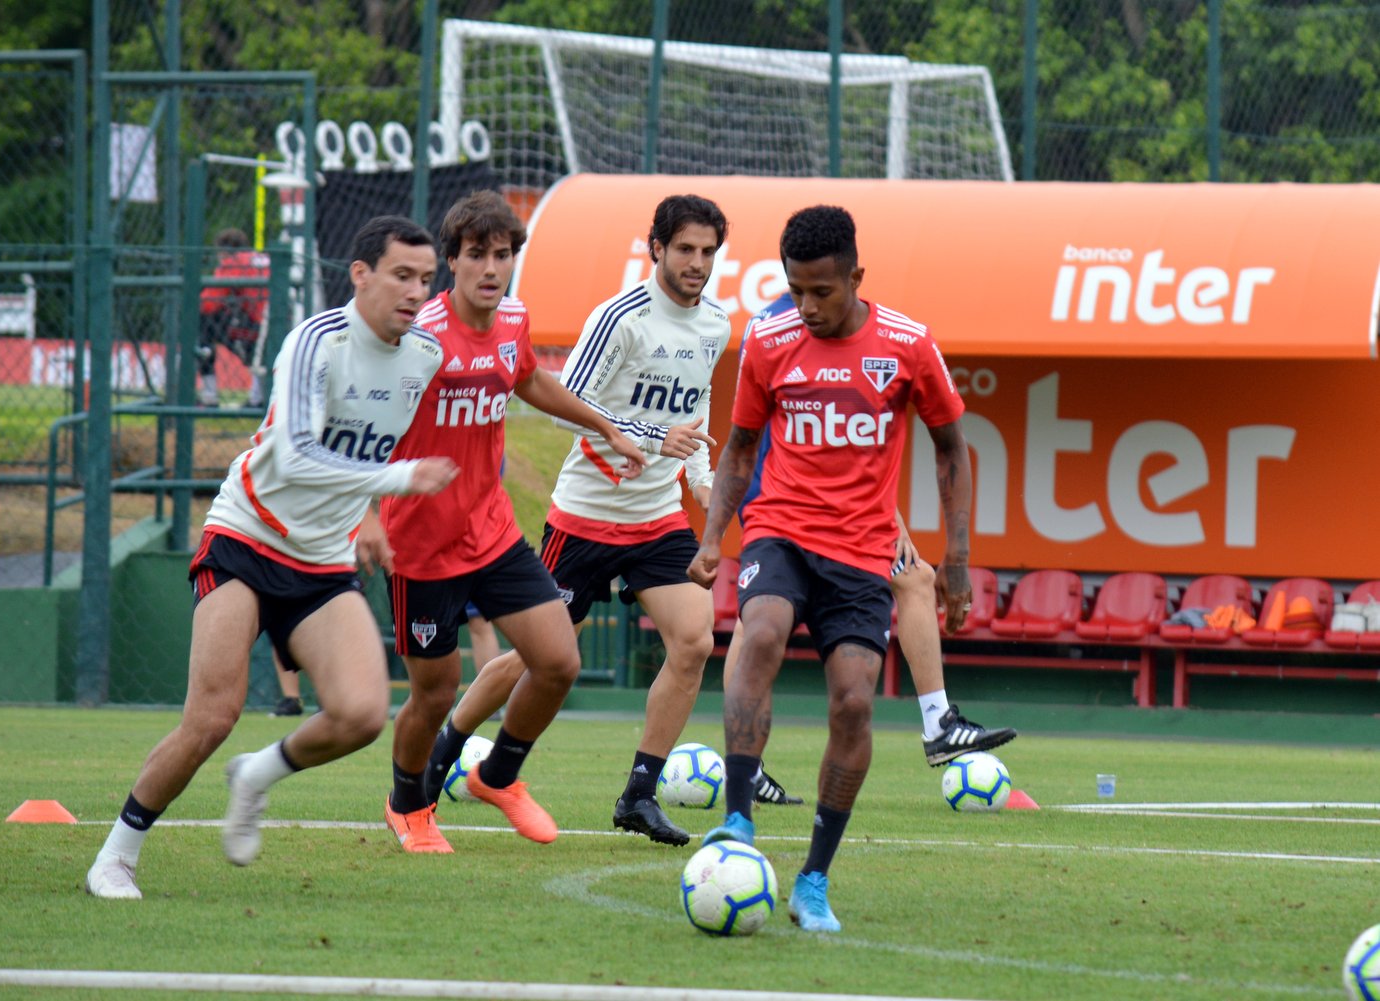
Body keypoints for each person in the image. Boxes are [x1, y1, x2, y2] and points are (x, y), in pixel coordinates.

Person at [85, 216, 459, 900]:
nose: (415, 291)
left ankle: (256, 773)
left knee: (361, 714)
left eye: (427, 280)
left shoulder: (425, 355)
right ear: (361, 274)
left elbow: (378, 446)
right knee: (211, 715)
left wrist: (371, 508)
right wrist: (394, 485)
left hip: (321, 559)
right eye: (402, 275)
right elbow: (298, 454)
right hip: (247, 537)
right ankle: (116, 856)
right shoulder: (316, 341)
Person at [379, 190, 715, 854]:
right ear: (451, 261)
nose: (491, 268)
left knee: (568, 657)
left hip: (514, 529)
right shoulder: (418, 336)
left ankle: (525, 778)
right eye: (477, 255)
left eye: (502, 255)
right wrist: (365, 511)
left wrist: (627, 439)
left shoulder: (513, 321)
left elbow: (533, 380)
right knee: (439, 687)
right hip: (452, 535)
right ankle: (413, 795)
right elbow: (365, 426)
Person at [688, 205, 974, 933]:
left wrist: (959, 560)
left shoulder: (908, 345)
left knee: (853, 702)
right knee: (760, 634)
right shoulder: (769, 339)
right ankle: (739, 818)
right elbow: (742, 446)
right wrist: (715, 534)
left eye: (823, 291)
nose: (807, 307)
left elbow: (951, 447)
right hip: (780, 531)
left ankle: (813, 879)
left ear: (856, 276)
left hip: (860, 554)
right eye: (796, 290)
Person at [720, 294, 1015, 804]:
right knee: (760, 625)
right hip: (779, 498)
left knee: (913, 579)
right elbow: (776, 431)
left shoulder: (860, 327)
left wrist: (890, 514)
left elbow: (850, 439)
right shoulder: (776, 326)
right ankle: (748, 765)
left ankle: (937, 723)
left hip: (832, 505)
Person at [198, 227, 270, 408]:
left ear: (224, 252)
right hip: (283, 319)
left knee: (202, 322)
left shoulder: (234, 261)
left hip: (260, 325)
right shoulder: (261, 257)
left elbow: (208, 303)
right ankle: (257, 395)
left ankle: (210, 394)